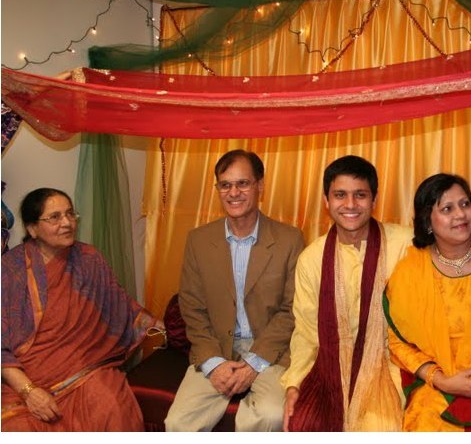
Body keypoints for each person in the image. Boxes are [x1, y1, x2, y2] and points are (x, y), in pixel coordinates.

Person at [164, 149, 305, 432]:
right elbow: (192, 307)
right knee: (178, 423)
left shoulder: (289, 239)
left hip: (270, 350)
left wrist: (253, 363)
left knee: (270, 416)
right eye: (225, 185)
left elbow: (292, 310)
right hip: (215, 347)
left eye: (243, 183)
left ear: (260, 186)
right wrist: (214, 363)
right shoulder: (199, 240)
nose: (233, 193)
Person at [1, 187, 163, 431]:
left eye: (70, 214)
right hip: (27, 378)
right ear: (32, 229)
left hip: (86, 368)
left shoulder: (88, 258)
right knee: (17, 428)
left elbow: (120, 308)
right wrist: (29, 391)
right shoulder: (10, 270)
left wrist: (166, 330)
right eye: (54, 217)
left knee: (113, 407)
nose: (67, 223)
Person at [384, 173, 471, 431]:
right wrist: (439, 379)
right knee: (426, 422)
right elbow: (398, 342)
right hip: (439, 382)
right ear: (428, 220)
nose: (460, 214)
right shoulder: (411, 270)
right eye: (447, 209)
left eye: (465, 204)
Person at [281, 155, 412, 431]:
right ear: (326, 201)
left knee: (381, 427)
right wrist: (294, 383)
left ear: (374, 199)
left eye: (360, 195)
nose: (350, 204)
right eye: (340, 195)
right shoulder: (312, 259)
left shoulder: (405, 245)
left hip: (391, 366)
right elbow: (306, 332)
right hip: (330, 367)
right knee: (302, 424)